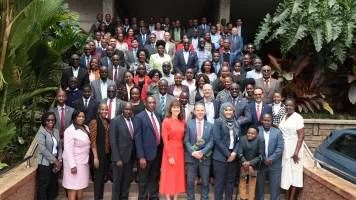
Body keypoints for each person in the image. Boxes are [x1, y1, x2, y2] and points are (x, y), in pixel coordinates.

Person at [134, 96, 163, 200]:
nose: (152, 104)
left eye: (153, 103)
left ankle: (154, 197)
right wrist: (141, 156)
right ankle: (142, 197)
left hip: (157, 153)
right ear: (145, 103)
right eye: (149, 102)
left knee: (154, 178)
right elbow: (137, 138)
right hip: (145, 155)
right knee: (143, 180)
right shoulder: (139, 117)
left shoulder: (158, 116)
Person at [184, 103, 214, 200]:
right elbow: (186, 140)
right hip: (191, 158)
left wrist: (202, 152)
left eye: (202, 110)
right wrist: (193, 153)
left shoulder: (211, 126)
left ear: (205, 112)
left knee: (205, 182)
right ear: (195, 111)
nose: (200, 112)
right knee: (190, 182)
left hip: (205, 158)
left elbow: (212, 141)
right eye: (198, 110)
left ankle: (204, 198)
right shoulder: (189, 124)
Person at [212, 102, 240, 200]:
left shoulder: (236, 123)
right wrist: (228, 154)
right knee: (219, 183)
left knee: (230, 182)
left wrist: (234, 153)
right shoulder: (218, 122)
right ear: (222, 111)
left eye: (230, 110)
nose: (228, 112)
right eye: (226, 110)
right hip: (220, 157)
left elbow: (238, 141)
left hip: (233, 156)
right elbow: (217, 140)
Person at [278, 97, 305, 200]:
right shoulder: (283, 117)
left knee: (294, 173)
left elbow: (301, 137)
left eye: (290, 105)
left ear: (294, 106)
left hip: (294, 147)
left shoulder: (298, 117)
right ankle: (287, 196)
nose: (288, 107)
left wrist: (296, 152)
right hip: (285, 147)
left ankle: (291, 198)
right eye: (286, 105)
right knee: (286, 172)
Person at [159, 100, 186, 199]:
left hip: (180, 151)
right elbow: (164, 140)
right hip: (169, 150)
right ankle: (167, 198)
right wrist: (169, 155)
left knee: (178, 175)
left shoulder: (183, 121)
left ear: (180, 109)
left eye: (178, 107)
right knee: (168, 175)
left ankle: (175, 198)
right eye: (174, 107)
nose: (176, 109)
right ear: (170, 109)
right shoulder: (166, 121)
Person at [62, 110, 90, 200]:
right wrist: (72, 166)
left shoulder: (85, 127)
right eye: (79, 116)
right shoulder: (69, 130)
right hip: (74, 163)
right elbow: (68, 150)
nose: (81, 118)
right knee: (72, 187)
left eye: (83, 116)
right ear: (74, 118)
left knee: (81, 186)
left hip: (84, 161)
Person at [110, 102, 136, 200]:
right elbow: (113, 141)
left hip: (129, 158)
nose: (128, 111)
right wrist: (117, 159)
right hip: (119, 159)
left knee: (126, 182)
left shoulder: (133, 120)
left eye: (130, 110)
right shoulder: (115, 121)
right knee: (117, 183)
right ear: (122, 109)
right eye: (126, 109)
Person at [256, 114, 284, 200]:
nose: (266, 122)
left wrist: (271, 159)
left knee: (275, 186)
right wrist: (264, 159)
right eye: (264, 120)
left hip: (274, 163)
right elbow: (255, 146)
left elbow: (280, 148)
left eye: (268, 120)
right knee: (259, 186)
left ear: (271, 121)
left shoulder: (278, 132)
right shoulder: (257, 131)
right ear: (261, 121)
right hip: (261, 163)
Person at [36, 112, 62, 200]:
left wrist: (60, 160)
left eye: (52, 120)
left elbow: (60, 147)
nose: (50, 122)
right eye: (48, 120)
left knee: (53, 185)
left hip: (56, 162)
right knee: (44, 185)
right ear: (44, 121)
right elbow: (42, 149)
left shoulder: (56, 131)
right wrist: (55, 161)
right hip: (45, 163)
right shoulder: (41, 132)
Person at [88, 104, 110, 200]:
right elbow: (93, 141)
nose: (104, 111)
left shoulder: (108, 121)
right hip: (98, 155)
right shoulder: (94, 122)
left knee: (102, 179)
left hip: (106, 155)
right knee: (98, 179)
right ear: (98, 110)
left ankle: (100, 197)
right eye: (102, 109)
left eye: (106, 110)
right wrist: (95, 158)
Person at [238, 125, 265, 200]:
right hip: (243, 165)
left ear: (257, 135)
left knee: (252, 185)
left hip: (254, 166)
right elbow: (239, 153)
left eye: (252, 133)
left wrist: (250, 164)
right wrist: (245, 163)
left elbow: (261, 155)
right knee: (242, 184)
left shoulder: (261, 140)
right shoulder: (242, 139)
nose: (250, 134)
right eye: (249, 133)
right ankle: (242, 198)